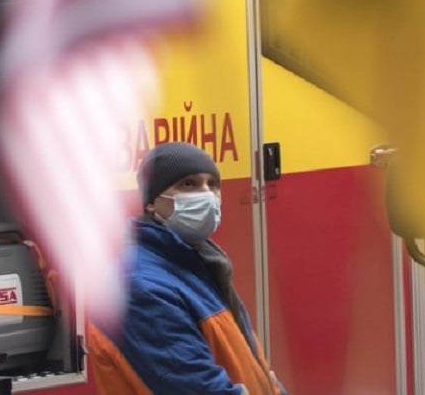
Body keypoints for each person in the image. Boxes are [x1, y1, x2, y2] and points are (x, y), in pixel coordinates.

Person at [87, 142, 285, 394]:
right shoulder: (141, 288)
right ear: (151, 202)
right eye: (188, 184)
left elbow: (255, 367)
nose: (206, 195)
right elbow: (199, 387)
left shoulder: (198, 264)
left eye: (212, 184)